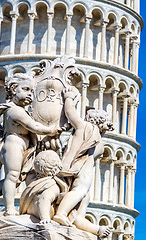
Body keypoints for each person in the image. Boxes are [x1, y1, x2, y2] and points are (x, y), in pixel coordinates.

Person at [0, 73, 58, 216]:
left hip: (25, 146)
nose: (30, 94)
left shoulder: (22, 110)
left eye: (32, 91)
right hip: (14, 143)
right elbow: (34, 126)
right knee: (12, 176)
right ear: (13, 89)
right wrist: (51, 130)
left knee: (15, 178)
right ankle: (9, 208)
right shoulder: (14, 110)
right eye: (26, 89)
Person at [52, 86, 114, 234]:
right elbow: (70, 113)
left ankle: (94, 228)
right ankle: (60, 214)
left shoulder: (97, 136)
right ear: (98, 120)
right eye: (106, 121)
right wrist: (69, 98)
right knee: (79, 192)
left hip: (85, 170)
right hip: (81, 169)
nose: (110, 125)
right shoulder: (85, 126)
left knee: (83, 198)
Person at [19, 150, 67, 224]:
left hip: (29, 215)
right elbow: (44, 199)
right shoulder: (52, 185)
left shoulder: (34, 181)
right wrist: (45, 218)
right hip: (40, 216)